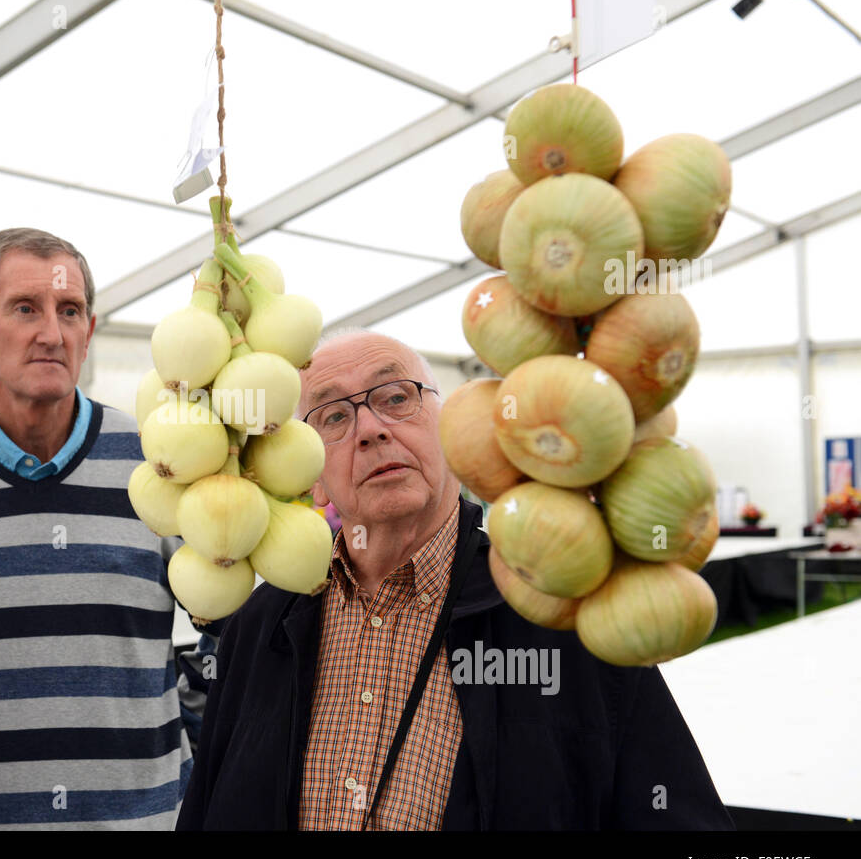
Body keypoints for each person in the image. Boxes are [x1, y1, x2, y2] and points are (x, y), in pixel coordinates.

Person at [176, 330, 734, 831]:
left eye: (396, 398)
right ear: (311, 480)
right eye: (334, 417)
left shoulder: (560, 610)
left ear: (455, 433)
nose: (371, 429)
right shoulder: (262, 625)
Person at [0, 228, 214, 830]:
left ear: (89, 332)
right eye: (25, 309)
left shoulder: (162, 465)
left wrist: (192, 750)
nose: (52, 333)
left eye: (69, 311)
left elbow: (229, 624)